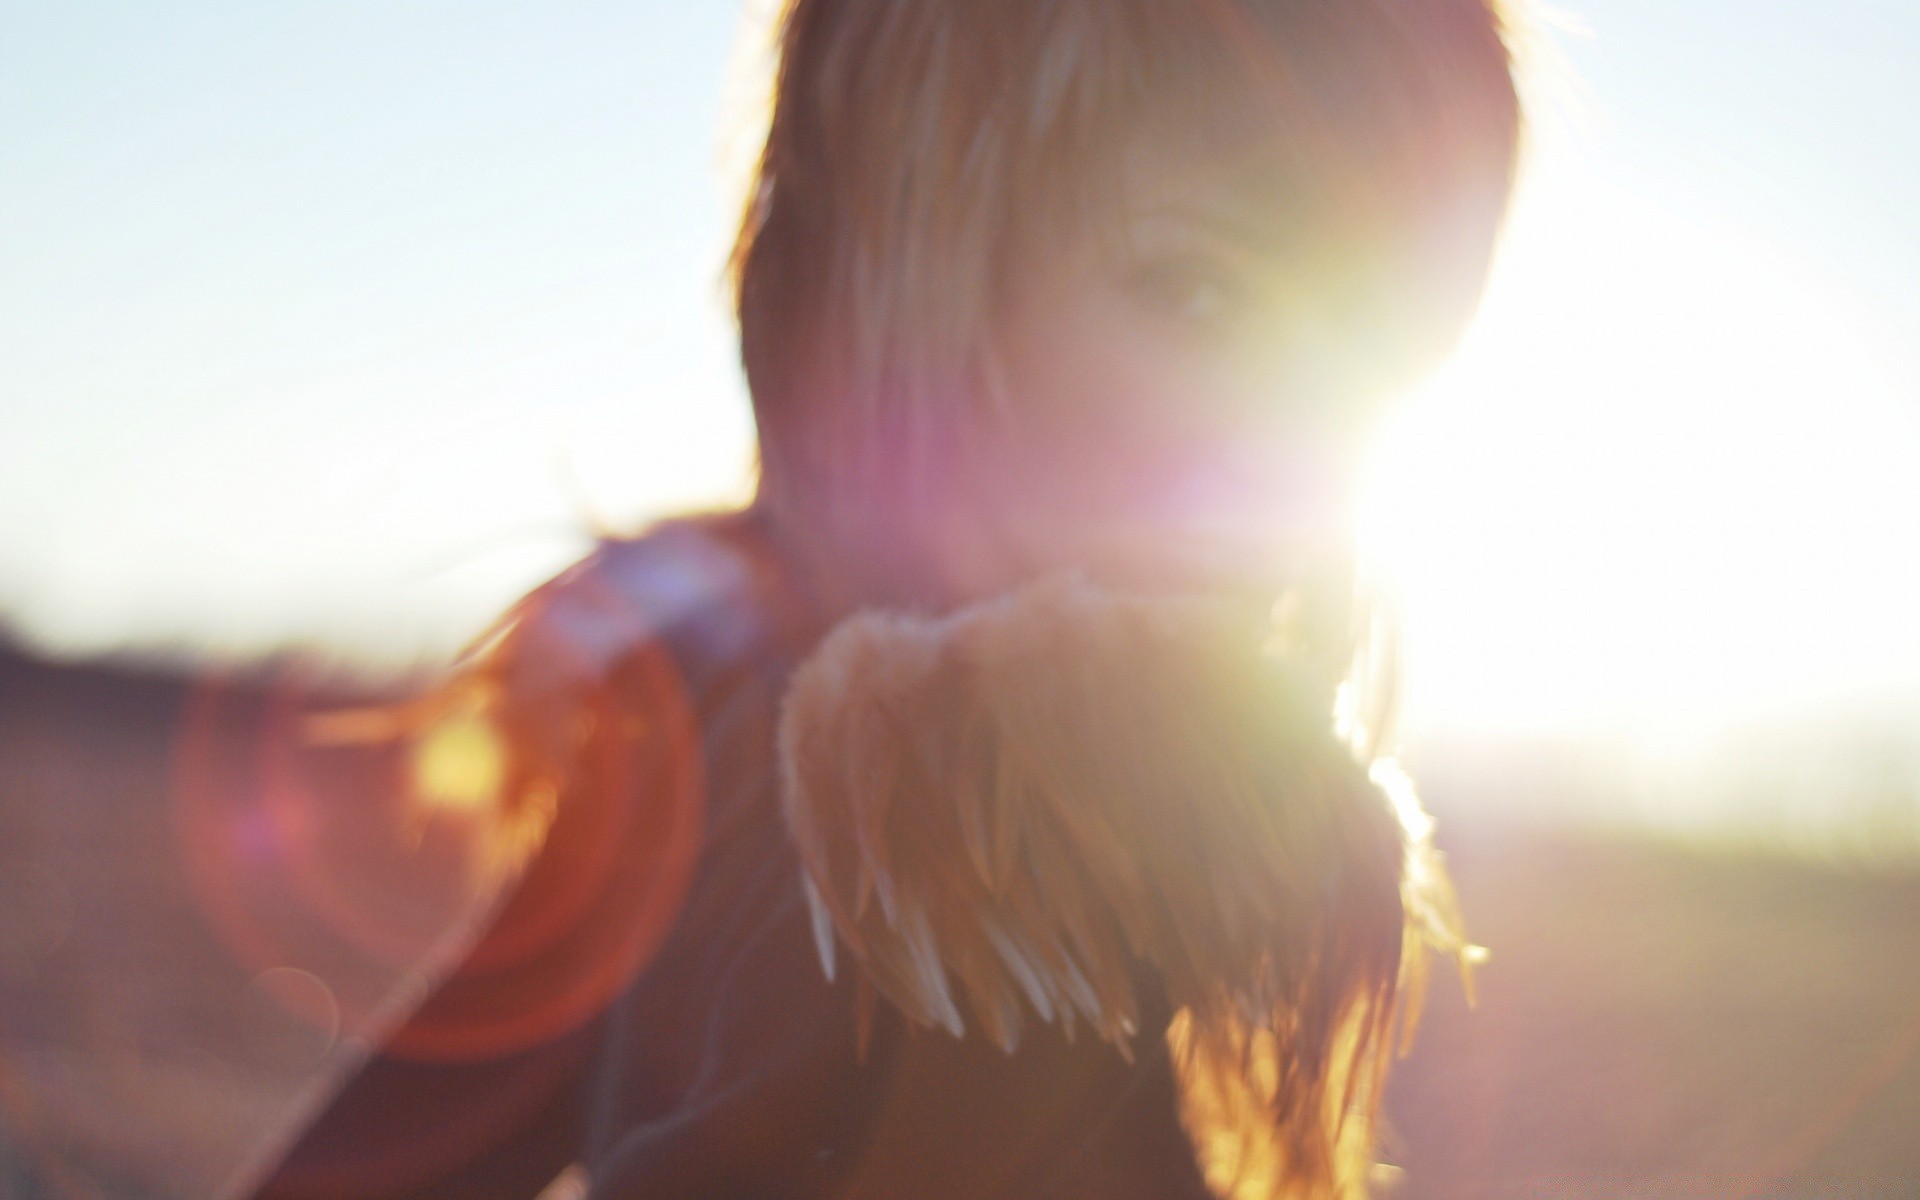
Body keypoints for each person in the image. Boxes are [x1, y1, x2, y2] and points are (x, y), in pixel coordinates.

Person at [256, 0, 1522, 1196]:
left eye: (1377, 352)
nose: (1300, 436)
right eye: (1195, 291)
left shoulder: (701, 689)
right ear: (847, 302)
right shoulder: (978, 852)